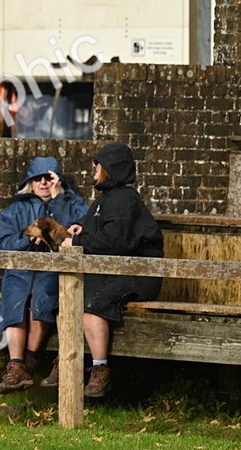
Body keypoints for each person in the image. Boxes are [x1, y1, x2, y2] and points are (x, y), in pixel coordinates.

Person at [57, 142, 163, 397]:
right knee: (67, 296)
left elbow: (115, 241)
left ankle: (99, 370)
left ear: (111, 168)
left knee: (92, 301)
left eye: (99, 162)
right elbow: (103, 232)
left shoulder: (125, 199)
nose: (94, 167)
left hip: (139, 274)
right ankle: (63, 363)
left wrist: (78, 242)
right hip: (116, 271)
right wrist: (81, 230)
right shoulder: (105, 199)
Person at [0, 156, 90, 392]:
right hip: (20, 271)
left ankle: (29, 359)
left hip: (52, 271)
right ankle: (16, 364)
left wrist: (58, 199)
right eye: (38, 179)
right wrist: (26, 240)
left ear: (58, 181)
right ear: (30, 182)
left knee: (42, 299)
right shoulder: (16, 210)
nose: (44, 183)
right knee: (15, 300)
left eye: (49, 178)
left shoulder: (72, 204)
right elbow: (0, 244)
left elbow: (84, 227)